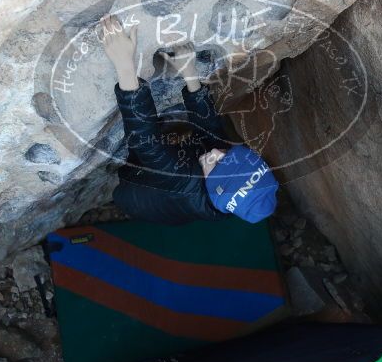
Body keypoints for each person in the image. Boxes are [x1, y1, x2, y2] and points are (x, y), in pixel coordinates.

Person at [99, 14, 279, 225]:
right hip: (173, 195)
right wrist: (190, 73)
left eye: (218, 165)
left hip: (136, 193)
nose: (215, 153)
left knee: (139, 167)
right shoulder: (219, 170)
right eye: (229, 154)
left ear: (214, 190)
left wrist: (124, 65)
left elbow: (146, 143)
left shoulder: (185, 183)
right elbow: (211, 130)